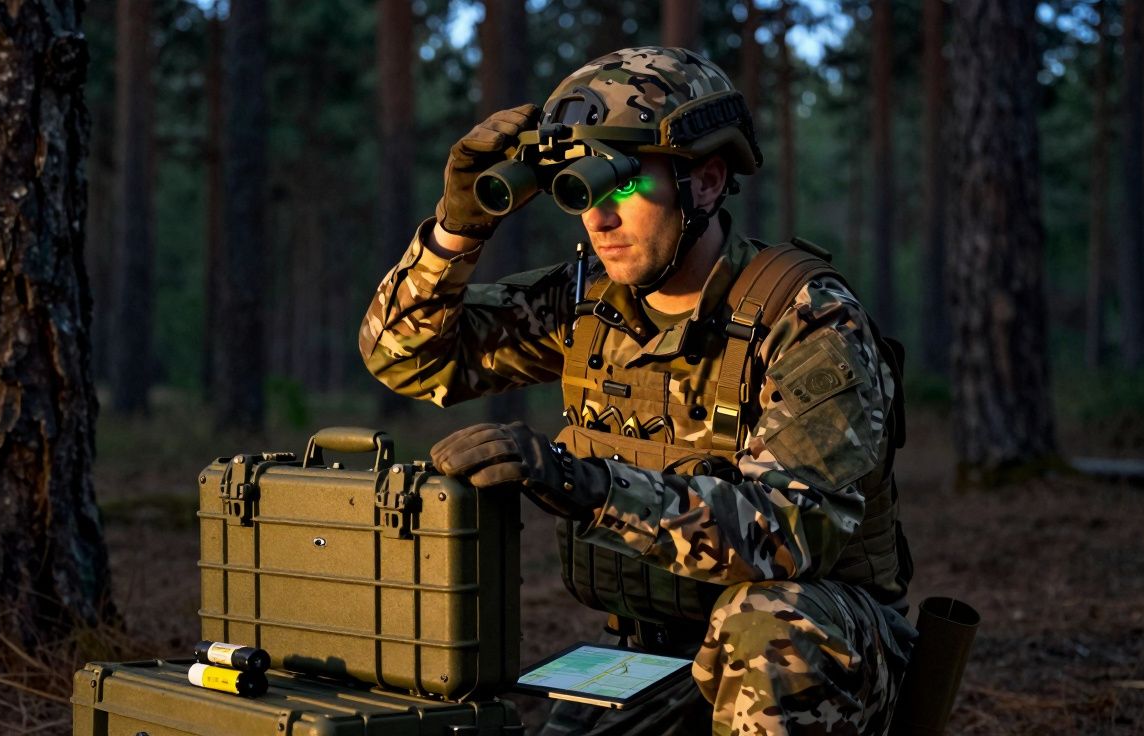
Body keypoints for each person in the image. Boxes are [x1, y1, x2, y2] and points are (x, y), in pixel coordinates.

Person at [360, 46, 916, 735]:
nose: (598, 219)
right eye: (578, 190)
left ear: (707, 182)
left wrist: (587, 485)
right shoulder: (588, 303)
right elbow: (404, 357)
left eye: (619, 183)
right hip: (654, 653)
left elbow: (787, 536)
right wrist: (456, 230)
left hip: (827, 653)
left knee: (769, 628)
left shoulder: (806, 319)